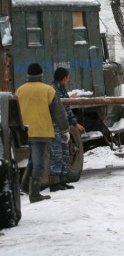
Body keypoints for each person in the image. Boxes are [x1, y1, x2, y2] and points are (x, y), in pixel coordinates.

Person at [16, 63, 69, 203]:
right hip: (41, 131)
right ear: (41, 75)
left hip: (24, 132)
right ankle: (34, 195)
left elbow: (14, 113)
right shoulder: (48, 90)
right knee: (39, 164)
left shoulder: (19, 91)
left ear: (28, 75)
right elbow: (59, 112)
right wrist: (65, 130)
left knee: (34, 160)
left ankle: (25, 186)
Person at [48, 67, 86, 192]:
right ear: (64, 78)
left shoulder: (60, 89)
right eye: (68, 77)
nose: (68, 80)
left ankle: (62, 180)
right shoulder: (54, 90)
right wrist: (75, 124)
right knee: (57, 154)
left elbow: (66, 108)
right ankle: (55, 183)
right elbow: (63, 110)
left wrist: (74, 124)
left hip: (62, 126)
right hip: (55, 126)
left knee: (64, 152)